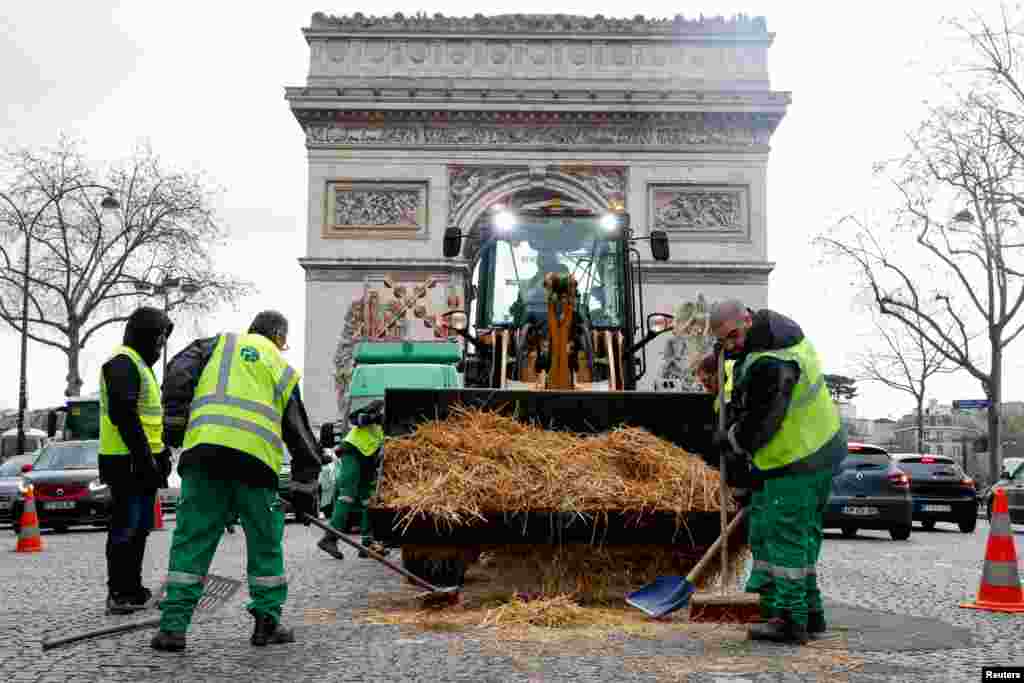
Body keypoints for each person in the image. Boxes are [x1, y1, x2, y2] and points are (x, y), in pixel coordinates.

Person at [151, 311, 326, 652]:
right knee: (265, 544)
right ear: (277, 335)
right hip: (255, 465)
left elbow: (178, 369)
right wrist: (306, 483)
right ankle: (266, 623)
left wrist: (174, 420)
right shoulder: (279, 366)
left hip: (204, 456)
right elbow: (298, 430)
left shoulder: (217, 345)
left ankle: (173, 627)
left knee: (191, 542)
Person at [708, 300, 846, 645]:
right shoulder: (770, 343)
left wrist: (732, 440)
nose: (732, 345)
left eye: (734, 336)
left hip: (800, 457)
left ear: (748, 319)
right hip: (813, 452)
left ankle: (790, 619)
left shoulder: (772, 361)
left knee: (785, 535)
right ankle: (809, 613)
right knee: (791, 532)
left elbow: (762, 423)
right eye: (725, 341)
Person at [98, 307, 175, 615]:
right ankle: (118, 592)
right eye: (158, 336)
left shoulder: (140, 365)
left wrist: (161, 455)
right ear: (144, 334)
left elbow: (149, 421)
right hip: (126, 462)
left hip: (141, 462)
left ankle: (132, 589)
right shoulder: (122, 363)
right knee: (125, 529)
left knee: (139, 528)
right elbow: (124, 416)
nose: (161, 344)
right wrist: (146, 459)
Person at [317, 399, 388, 560]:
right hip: (353, 452)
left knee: (368, 500)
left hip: (368, 459)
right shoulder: (379, 406)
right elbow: (354, 418)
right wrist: (374, 417)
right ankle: (329, 538)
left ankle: (367, 544)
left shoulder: (395, 423)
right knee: (347, 495)